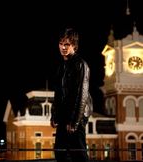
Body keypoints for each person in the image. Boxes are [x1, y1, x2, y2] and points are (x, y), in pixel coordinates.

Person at [50, 27, 93, 162]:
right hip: (64, 115)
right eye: (61, 44)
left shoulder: (80, 64)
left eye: (67, 44)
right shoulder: (62, 66)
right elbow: (58, 93)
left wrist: (75, 121)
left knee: (79, 154)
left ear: (74, 45)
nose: (63, 47)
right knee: (60, 152)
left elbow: (82, 95)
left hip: (77, 117)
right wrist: (54, 115)